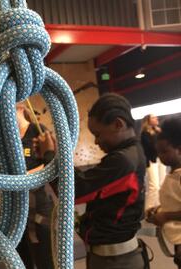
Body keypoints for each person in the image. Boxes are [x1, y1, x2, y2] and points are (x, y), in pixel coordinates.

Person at [36, 93, 148, 269]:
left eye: (98, 134)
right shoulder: (132, 153)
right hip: (112, 257)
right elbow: (85, 182)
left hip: (115, 262)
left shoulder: (124, 161)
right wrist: (54, 156)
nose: (96, 142)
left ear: (118, 124)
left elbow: (72, 191)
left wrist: (50, 156)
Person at [16, 102, 55, 269]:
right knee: (20, 261)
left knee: (44, 259)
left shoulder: (37, 131)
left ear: (21, 107)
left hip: (37, 206)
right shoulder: (4, 136)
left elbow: (51, 162)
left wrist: (24, 177)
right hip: (13, 209)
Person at [146, 117, 181, 269]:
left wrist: (165, 216)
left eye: (165, 151)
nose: (161, 156)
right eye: (158, 152)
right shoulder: (172, 174)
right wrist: (159, 210)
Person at [141, 114, 166, 210]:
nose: (157, 118)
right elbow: (150, 148)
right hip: (151, 161)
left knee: (162, 184)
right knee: (154, 186)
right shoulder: (145, 133)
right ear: (148, 121)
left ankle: (159, 207)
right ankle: (149, 209)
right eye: (154, 117)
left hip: (160, 159)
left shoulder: (159, 132)